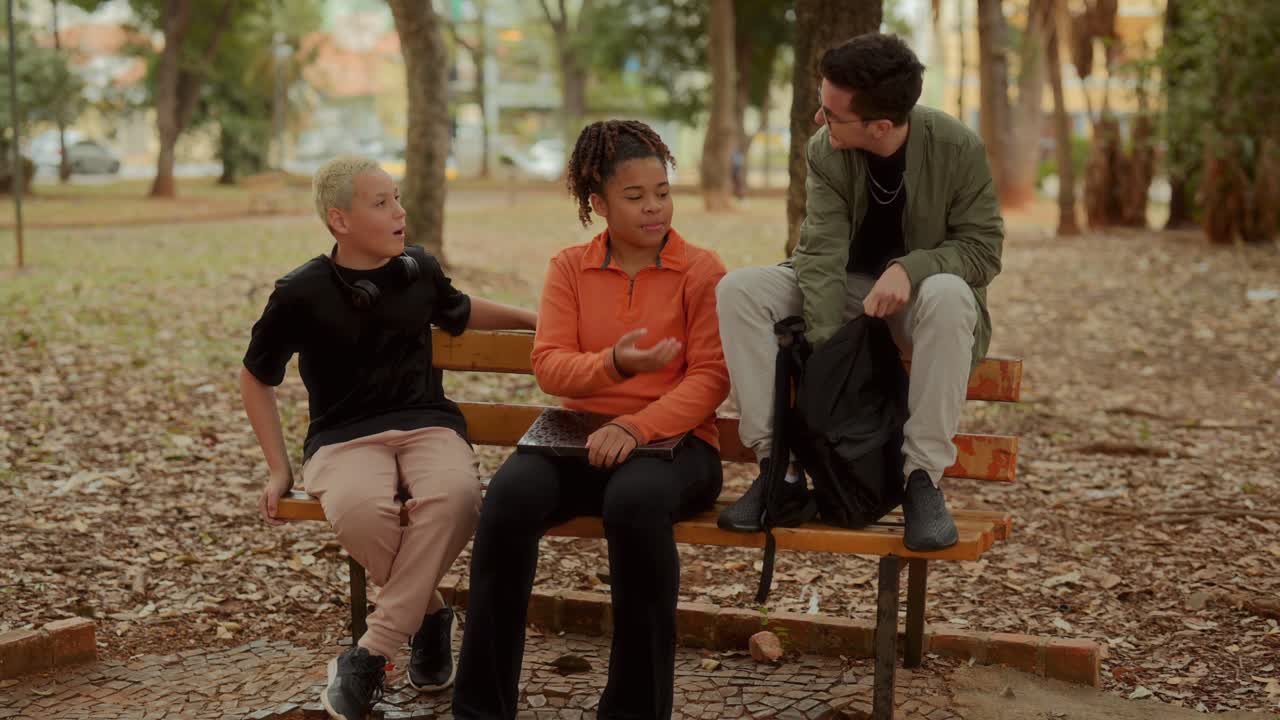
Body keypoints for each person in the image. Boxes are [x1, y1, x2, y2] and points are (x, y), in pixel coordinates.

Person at [239, 155, 537, 720]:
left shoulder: (418, 269)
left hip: (428, 425)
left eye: (398, 198)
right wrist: (278, 468)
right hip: (343, 439)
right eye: (382, 203)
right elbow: (255, 376)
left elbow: (461, 310)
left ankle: (371, 655)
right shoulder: (300, 292)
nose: (400, 212)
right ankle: (427, 616)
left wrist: (536, 318)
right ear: (340, 220)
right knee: (362, 513)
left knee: (456, 499)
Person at [452, 120, 730, 720]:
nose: (654, 207)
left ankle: (634, 710)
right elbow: (549, 366)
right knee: (506, 500)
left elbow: (710, 379)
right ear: (599, 204)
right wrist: (614, 365)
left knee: (633, 505)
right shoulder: (570, 268)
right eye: (635, 197)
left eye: (662, 191)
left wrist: (635, 426)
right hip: (576, 442)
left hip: (678, 448)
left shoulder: (702, 271)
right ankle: (480, 709)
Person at [715, 33, 1004, 552]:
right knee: (741, 290)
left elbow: (983, 252)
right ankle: (777, 473)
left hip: (922, 302)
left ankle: (922, 482)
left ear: (881, 126)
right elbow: (821, 253)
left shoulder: (958, 148)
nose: (819, 121)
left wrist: (911, 269)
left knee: (949, 293)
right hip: (844, 294)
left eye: (831, 112)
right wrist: (834, 360)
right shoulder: (825, 150)